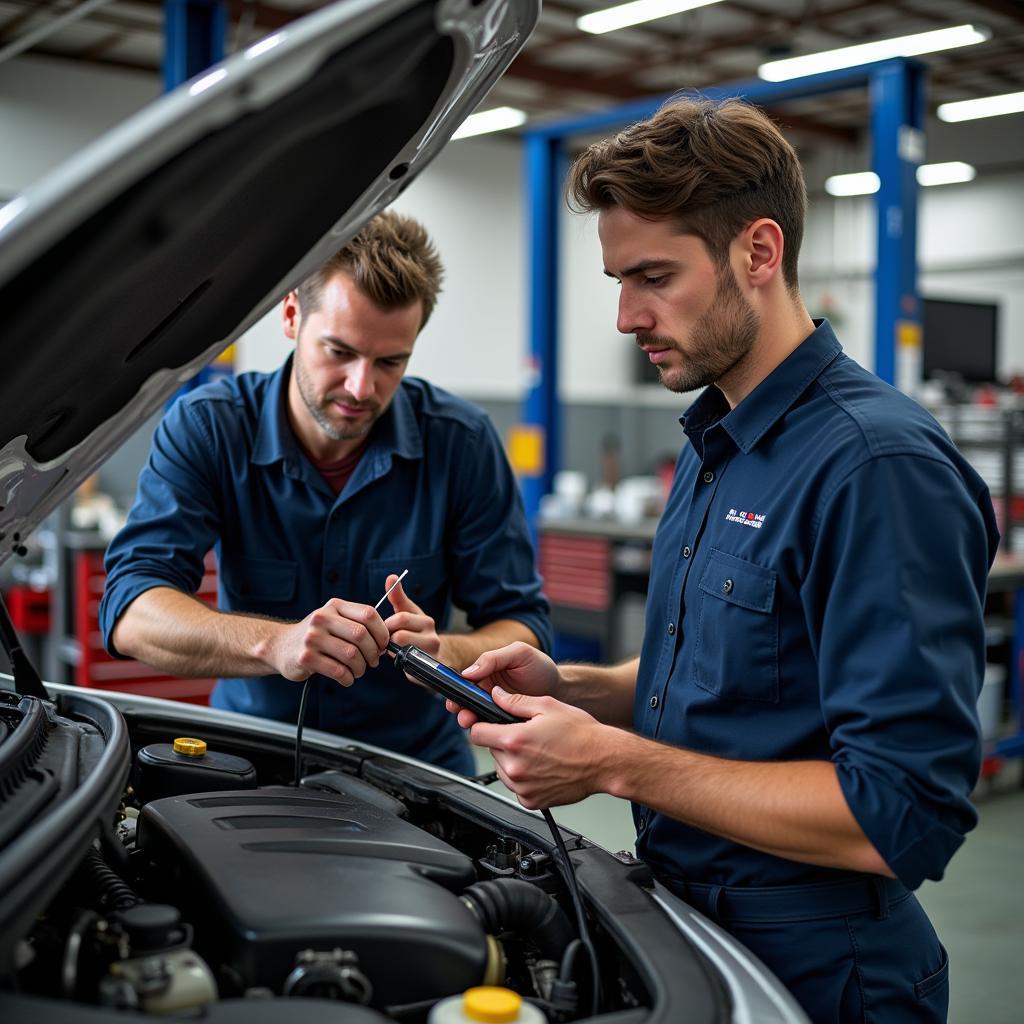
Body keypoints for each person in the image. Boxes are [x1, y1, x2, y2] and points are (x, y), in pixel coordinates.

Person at [450, 98, 998, 1021]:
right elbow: (731, 672)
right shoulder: (720, 443)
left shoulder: (876, 467)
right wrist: (574, 688)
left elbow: (900, 811)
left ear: (758, 252)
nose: (626, 316)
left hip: (824, 971)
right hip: (696, 928)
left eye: (654, 277)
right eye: (618, 279)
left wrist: (614, 764)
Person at [100, 210, 550, 776]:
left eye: (391, 362)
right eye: (340, 352)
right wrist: (276, 645)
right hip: (253, 757)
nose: (362, 388)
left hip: (415, 770)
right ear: (291, 315)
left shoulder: (462, 442)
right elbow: (132, 611)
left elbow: (524, 625)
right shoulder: (209, 427)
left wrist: (445, 655)